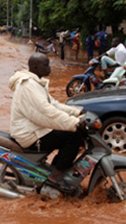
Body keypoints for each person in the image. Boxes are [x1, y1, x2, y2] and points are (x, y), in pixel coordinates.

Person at [8, 53, 86, 189]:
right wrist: (74, 123)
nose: (49, 68)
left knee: (70, 132)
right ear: (35, 67)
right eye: (46, 65)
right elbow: (46, 113)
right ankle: (55, 176)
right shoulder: (28, 86)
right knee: (73, 136)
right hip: (30, 135)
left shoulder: (36, 83)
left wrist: (76, 112)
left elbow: (53, 104)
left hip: (35, 129)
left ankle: (55, 168)